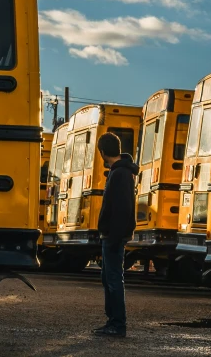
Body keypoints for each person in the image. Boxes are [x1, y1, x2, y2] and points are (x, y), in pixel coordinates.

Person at [92, 132, 138, 338]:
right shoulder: (120, 171)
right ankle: (112, 321)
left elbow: (122, 209)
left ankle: (117, 324)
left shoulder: (119, 174)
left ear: (102, 152)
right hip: (112, 234)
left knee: (113, 279)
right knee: (108, 277)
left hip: (113, 236)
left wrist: (114, 237)